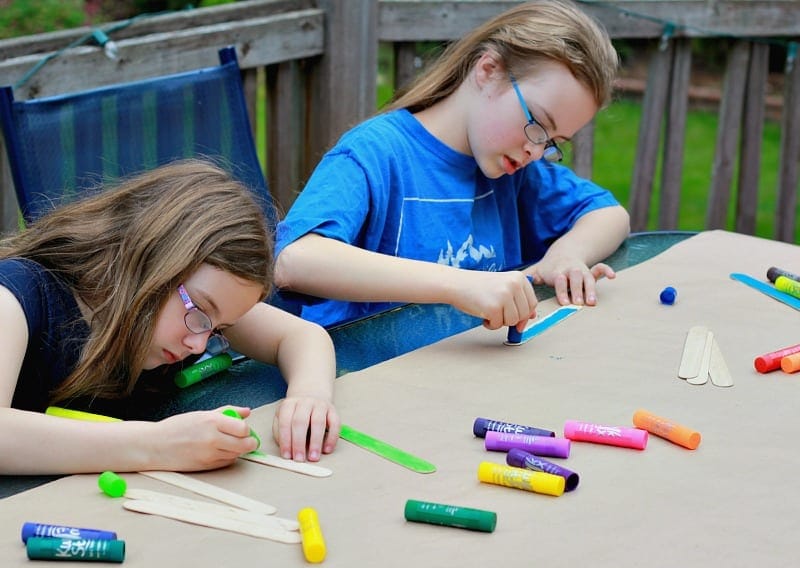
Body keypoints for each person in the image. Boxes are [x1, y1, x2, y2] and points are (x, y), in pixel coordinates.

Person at [274, 0, 630, 330]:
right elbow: (294, 260)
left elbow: (610, 214)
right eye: (537, 124)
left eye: (553, 142)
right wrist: (460, 285)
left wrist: (566, 255)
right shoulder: (376, 153)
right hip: (366, 369)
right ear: (488, 70)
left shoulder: (516, 170)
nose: (536, 152)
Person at [0, 159, 339, 475]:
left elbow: (302, 336)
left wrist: (309, 396)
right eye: (201, 313)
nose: (198, 346)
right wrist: (158, 445)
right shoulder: (18, 296)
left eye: (218, 329)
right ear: (154, 261)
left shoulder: (187, 308)